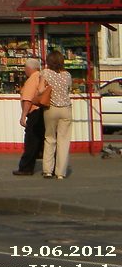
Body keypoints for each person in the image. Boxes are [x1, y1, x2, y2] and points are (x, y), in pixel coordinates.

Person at [40, 49, 74, 179]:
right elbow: (68, 90)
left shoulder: (46, 73)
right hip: (65, 108)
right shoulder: (67, 75)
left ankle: (48, 170)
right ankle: (60, 173)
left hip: (51, 108)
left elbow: (40, 89)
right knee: (64, 140)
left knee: (50, 138)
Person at [13, 58, 45, 176]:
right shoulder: (42, 76)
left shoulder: (32, 79)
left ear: (28, 68)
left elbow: (27, 99)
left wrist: (23, 116)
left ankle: (26, 167)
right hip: (43, 112)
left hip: (35, 113)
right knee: (43, 140)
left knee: (31, 141)